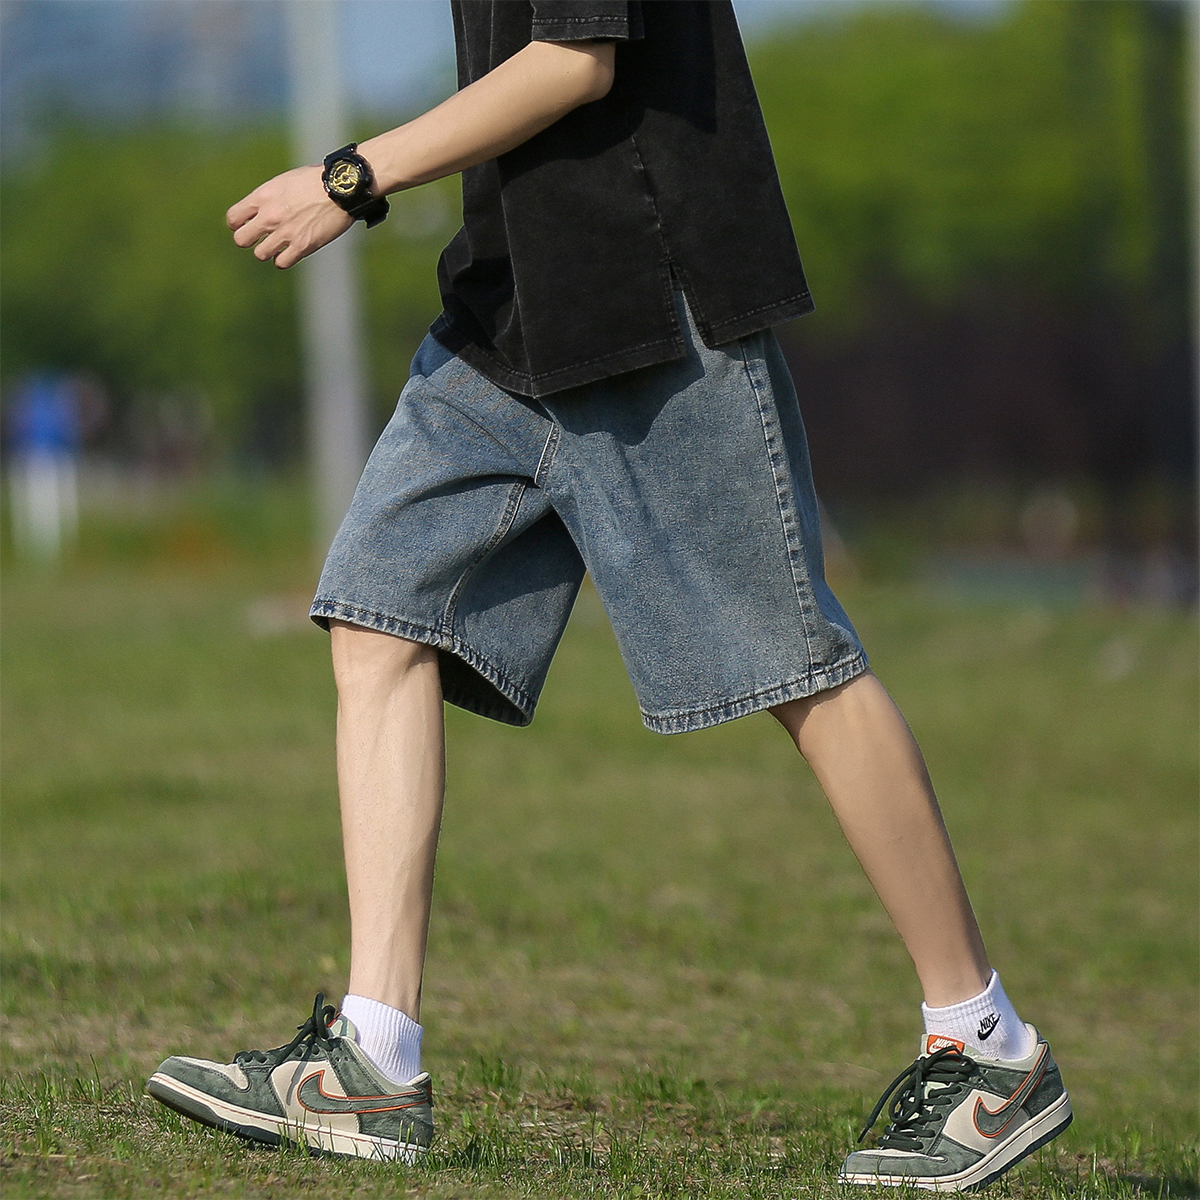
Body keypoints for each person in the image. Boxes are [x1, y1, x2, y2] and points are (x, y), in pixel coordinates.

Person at [146, 2, 1072, 1188]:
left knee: (794, 662)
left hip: (654, 305)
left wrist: (352, 176)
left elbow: (576, 63)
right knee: (376, 612)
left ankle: (987, 1043)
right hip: (507, 312)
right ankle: (371, 1062)